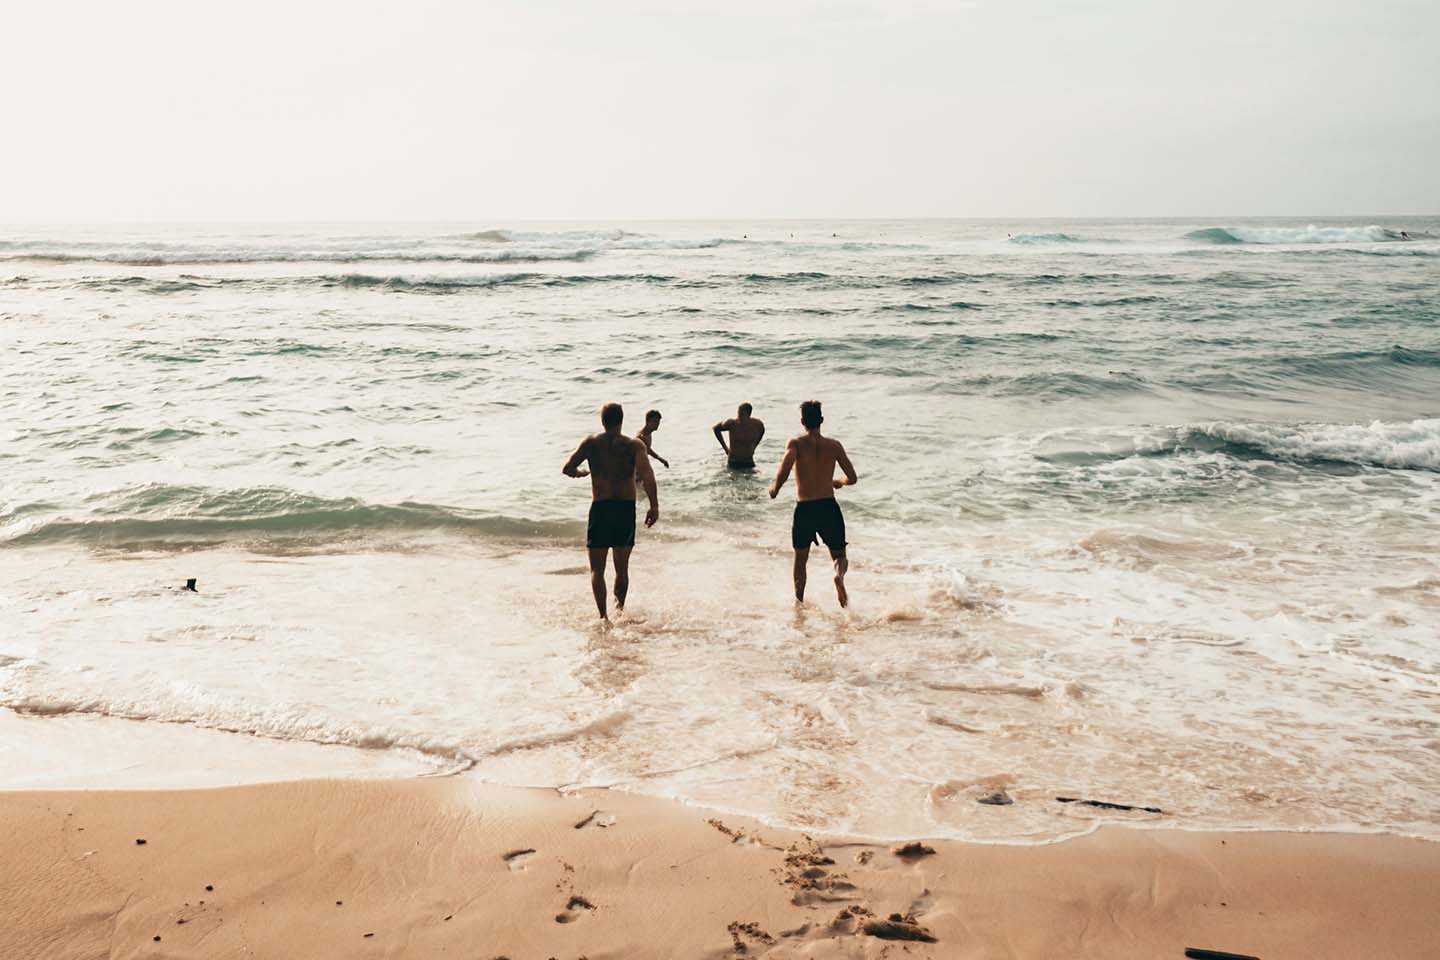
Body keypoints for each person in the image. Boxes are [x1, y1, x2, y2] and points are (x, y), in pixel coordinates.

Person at [563, 403, 659, 620]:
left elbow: (567, 468)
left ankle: (603, 617)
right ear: (621, 420)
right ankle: (619, 610)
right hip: (625, 510)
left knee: (597, 570)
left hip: (601, 509)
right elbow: (648, 475)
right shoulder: (634, 445)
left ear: (602, 421)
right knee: (621, 568)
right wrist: (654, 505)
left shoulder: (590, 444)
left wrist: (580, 473)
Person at [769, 400, 857, 607]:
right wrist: (839, 482)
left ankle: (799, 602)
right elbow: (852, 477)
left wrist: (775, 488)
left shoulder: (796, 444)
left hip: (805, 509)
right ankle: (838, 576)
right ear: (822, 420)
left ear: (802, 421)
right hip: (828, 506)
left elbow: (786, 467)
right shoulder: (834, 446)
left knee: (800, 559)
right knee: (839, 555)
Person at [713, 403, 766, 468]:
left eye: (741, 414)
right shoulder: (731, 424)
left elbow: (762, 431)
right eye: (738, 413)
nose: (739, 416)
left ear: (748, 414)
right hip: (733, 461)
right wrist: (725, 448)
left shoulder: (757, 424)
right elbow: (716, 429)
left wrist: (755, 446)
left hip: (748, 461)